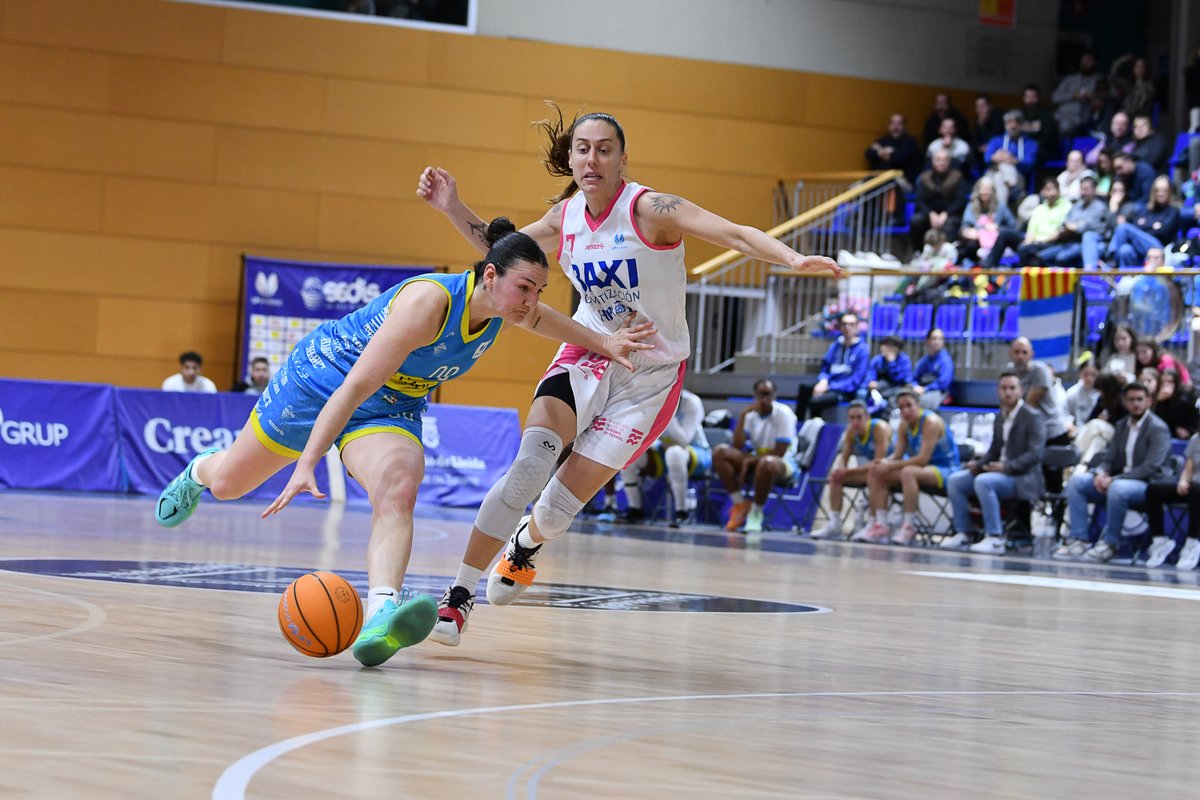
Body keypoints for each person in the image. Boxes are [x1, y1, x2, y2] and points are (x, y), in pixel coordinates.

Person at [416, 107, 839, 646]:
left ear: (621, 159)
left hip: (652, 375)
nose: (592, 158)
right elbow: (503, 257)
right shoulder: (565, 217)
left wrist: (791, 258)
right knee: (529, 465)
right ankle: (458, 598)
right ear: (571, 158)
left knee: (556, 508)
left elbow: (732, 231)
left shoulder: (650, 208)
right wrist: (453, 208)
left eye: (604, 149)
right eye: (583, 149)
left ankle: (526, 544)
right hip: (589, 351)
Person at [153, 220, 651, 667]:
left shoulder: (505, 308)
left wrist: (606, 344)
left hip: (391, 406)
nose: (531, 301)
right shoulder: (428, 304)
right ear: (490, 277)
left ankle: (380, 612)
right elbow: (351, 389)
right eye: (525, 288)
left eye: (538, 290)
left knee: (398, 487)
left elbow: (544, 320)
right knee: (229, 484)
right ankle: (200, 471)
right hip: (324, 381)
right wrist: (307, 462)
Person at [1054, 382, 1172, 562]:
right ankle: (1080, 540)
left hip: (1149, 486)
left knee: (1118, 488)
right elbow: (1109, 458)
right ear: (1124, 402)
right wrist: (1099, 474)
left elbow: (1151, 467)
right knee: (1077, 482)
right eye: (1131, 399)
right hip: (1118, 483)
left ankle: (1110, 544)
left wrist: (1114, 479)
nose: (1135, 404)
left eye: (1139, 399)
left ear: (1149, 401)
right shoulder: (1122, 425)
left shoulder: (1158, 428)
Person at [941, 372, 1046, 554]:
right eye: (1004, 388)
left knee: (984, 481)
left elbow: (1036, 454)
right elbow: (994, 451)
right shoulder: (1000, 417)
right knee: (956, 480)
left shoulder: (1033, 416)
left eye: (1012, 388)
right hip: (998, 472)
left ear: (1021, 391)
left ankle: (995, 537)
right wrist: (979, 465)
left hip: (1023, 477)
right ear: (998, 391)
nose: (1008, 392)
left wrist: (1006, 467)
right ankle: (964, 532)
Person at [855, 389, 960, 545]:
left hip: (946, 469)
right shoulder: (904, 425)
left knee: (908, 472)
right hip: (923, 469)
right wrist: (884, 462)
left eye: (909, 405)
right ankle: (879, 524)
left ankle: (909, 526)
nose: (905, 410)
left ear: (918, 405)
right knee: (877, 472)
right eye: (901, 407)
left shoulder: (931, 421)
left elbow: (922, 459)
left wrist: (890, 465)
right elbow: (897, 455)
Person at [712, 379, 800, 534]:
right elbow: (737, 446)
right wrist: (743, 416)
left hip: (784, 462)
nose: (764, 399)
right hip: (754, 459)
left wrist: (750, 460)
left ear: (774, 395)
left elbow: (780, 452)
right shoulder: (751, 415)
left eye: (768, 394)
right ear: (755, 395)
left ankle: (755, 513)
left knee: (766, 462)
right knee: (720, 452)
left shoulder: (784, 413)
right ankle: (739, 504)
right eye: (761, 395)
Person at [618, 388, 710, 527]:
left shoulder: (692, 402)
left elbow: (684, 439)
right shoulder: (652, 396)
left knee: (675, 453)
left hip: (696, 451)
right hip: (663, 449)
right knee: (628, 454)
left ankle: (682, 512)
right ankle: (635, 509)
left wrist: (668, 409)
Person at [810, 401, 892, 540]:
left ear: (867, 417)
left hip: (892, 469)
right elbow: (844, 459)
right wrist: (842, 469)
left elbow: (879, 461)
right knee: (836, 475)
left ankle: (873, 523)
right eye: (851, 418)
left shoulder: (879, 427)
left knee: (874, 474)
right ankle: (834, 523)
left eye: (859, 417)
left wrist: (849, 471)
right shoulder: (850, 431)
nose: (855, 422)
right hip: (875, 470)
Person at [796, 311, 869, 421]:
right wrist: (823, 381)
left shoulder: (863, 349)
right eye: (844, 324)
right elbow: (825, 368)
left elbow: (855, 380)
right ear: (840, 326)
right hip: (829, 383)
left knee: (815, 402)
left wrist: (830, 387)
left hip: (844, 390)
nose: (847, 327)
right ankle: (798, 424)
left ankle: (814, 432)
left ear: (857, 327)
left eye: (851, 324)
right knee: (804, 388)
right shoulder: (835, 345)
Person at [1144, 432, 1200, 570]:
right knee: (1154, 489)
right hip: (1192, 488)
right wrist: (1182, 481)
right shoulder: (1196, 439)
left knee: (1197, 490)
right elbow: (1189, 467)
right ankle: (1160, 541)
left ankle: (1192, 543)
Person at [1106, 175, 1182, 266]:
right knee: (1125, 250)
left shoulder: (1173, 211)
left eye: (1164, 190)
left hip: (1160, 248)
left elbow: (1163, 232)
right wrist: (1153, 226)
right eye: (1158, 190)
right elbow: (1136, 226)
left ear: (1169, 192)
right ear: (1153, 192)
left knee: (1124, 227)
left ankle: (1111, 261)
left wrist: (1144, 226)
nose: (1161, 193)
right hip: (1141, 246)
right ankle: (1126, 279)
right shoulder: (1145, 209)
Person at [910, 148, 968, 251]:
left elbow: (960, 200)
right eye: (938, 159)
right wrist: (930, 214)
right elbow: (919, 200)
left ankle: (947, 255)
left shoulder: (957, 177)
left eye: (945, 160)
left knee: (951, 223)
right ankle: (918, 252)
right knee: (916, 221)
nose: (942, 163)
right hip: (929, 214)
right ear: (933, 161)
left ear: (949, 162)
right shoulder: (925, 178)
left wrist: (946, 214)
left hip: (950, 214)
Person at [983, 110, 1038, 210]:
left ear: (1021, 125)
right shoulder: (996, 140)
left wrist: (1014, 160)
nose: (1013, 126)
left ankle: (1001, 211)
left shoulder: (1030, 143)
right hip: (992, 174)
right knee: (999, 172)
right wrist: (995, 157)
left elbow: (1030, 163)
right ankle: (1014, 190)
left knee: (1000, 176)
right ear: (1005, 125)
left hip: (1018, 176)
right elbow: (986, 159)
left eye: (1016, 122)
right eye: (1009, 122)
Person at [959, 176, 1017, 266]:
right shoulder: (971, 206)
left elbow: (1012, 225)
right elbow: (964, 226)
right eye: (982, 189)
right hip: (976, 241)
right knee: (970, 246)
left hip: (995, 241)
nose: (985, 192)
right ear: (977, 190)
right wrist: (968, 231)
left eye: (988, 189)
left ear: (993, 191)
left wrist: (998, 228)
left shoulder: (1000, 206)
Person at [1052, 51, 1102, 138]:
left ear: (1094, 63)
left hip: (1080, 119)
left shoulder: (1099, 80)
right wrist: (1072, 96)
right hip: (1060, 116)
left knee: (1065, 128)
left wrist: (1091, 98)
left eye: (1089, 61)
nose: (1085, 63)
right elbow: (1054, 98)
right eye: (1083, 60)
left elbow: (1105, 100)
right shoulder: (1070, 79)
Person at [865, 113, 922, 184]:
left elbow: (897, 158)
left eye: (899, 123)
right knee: (855, 189)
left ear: (904, 126)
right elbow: (869, 154)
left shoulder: (910, 142)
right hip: (877, 179)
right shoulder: (883, 140)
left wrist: (879, 151)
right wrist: (885, 151)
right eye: (893, 123)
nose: (895, 126)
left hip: (901, 180)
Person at [865, 334, 912, 412]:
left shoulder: (904, 360)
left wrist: (891, 362)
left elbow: (900, 379)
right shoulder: (877, 360)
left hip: (897, 388)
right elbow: (870, 373)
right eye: (884, 345)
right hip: (880, 388)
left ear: (897, 349)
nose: (885, 348)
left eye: (890, 347)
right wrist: (871, 381)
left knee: (894, 400)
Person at [911, 328, 954, 408]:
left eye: (941, 339)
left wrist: (925, 389)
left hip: (939, 392)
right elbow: (914, 378)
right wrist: (915, 386)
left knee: (923, 401)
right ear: (927, 340)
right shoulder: (923, 361)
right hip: (922, 389)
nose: (938, 342)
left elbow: (943, 383)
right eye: (934, 338)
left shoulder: (945, 360)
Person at [1153, 368, 1198, 440]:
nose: (1166, 385)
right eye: (1162, 382)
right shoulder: (1156, 396)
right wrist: (1158, 401)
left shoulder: (1185, 398)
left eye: (1169, 382)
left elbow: (1193, 421)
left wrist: (1188, 430)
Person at [1065, 356, 1100, 436]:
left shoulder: (1103, 393)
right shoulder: (1072, 392)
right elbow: (1065, 413)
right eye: (1086, 374)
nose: (1089, 378)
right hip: (1077, 430)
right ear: (1080, 373)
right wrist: (1069, 424)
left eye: (1093, 375)